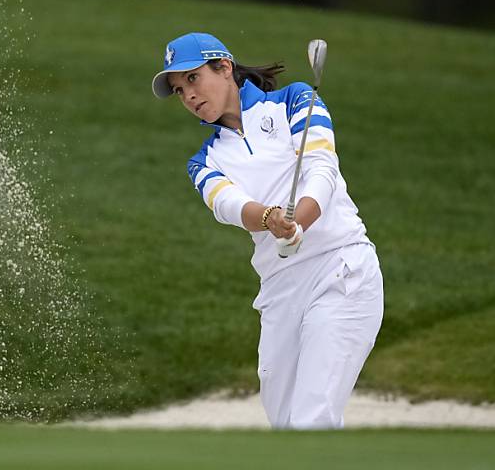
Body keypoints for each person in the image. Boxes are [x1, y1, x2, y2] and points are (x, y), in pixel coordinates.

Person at [151, 32, 384, 430]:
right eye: (177, 90)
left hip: (340, 270)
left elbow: (322, 170)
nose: (187, 96)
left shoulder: (295, 99)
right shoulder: (204, 160)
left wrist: (299, 222)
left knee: (312, 422)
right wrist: (271, 219)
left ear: (223, 67)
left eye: (192, 79)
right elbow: (229, 205)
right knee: (284, 426)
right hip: (280, 290)